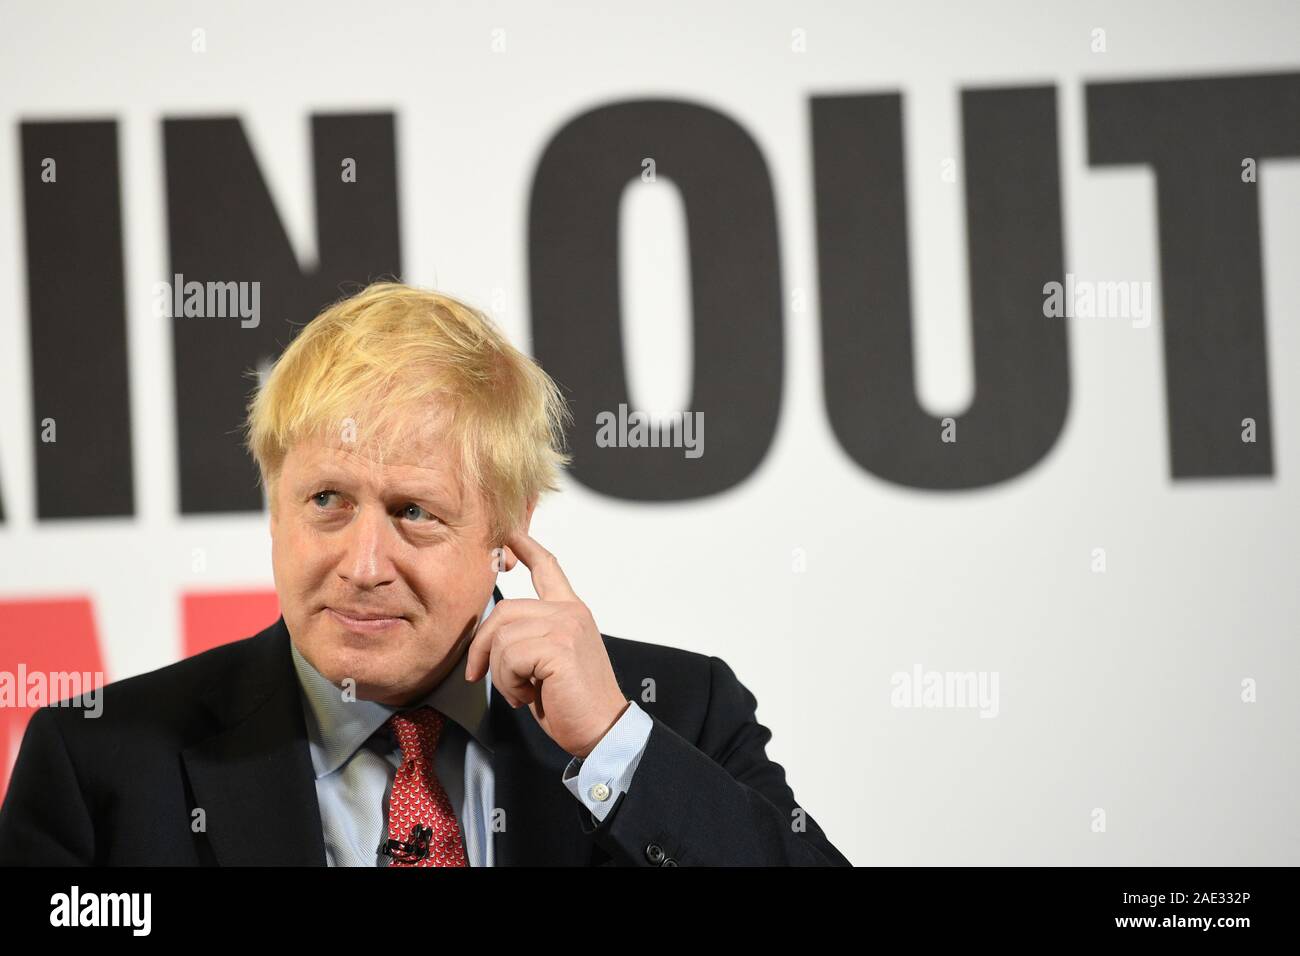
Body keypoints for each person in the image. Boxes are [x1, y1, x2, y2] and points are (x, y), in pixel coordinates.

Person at [0, 282, 849, 866]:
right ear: (274, 506)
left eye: (415, 513)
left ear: (506, 537)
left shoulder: (678, 716)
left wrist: (613, 744)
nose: (363, 566)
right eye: (327, 500)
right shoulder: (101, 763)